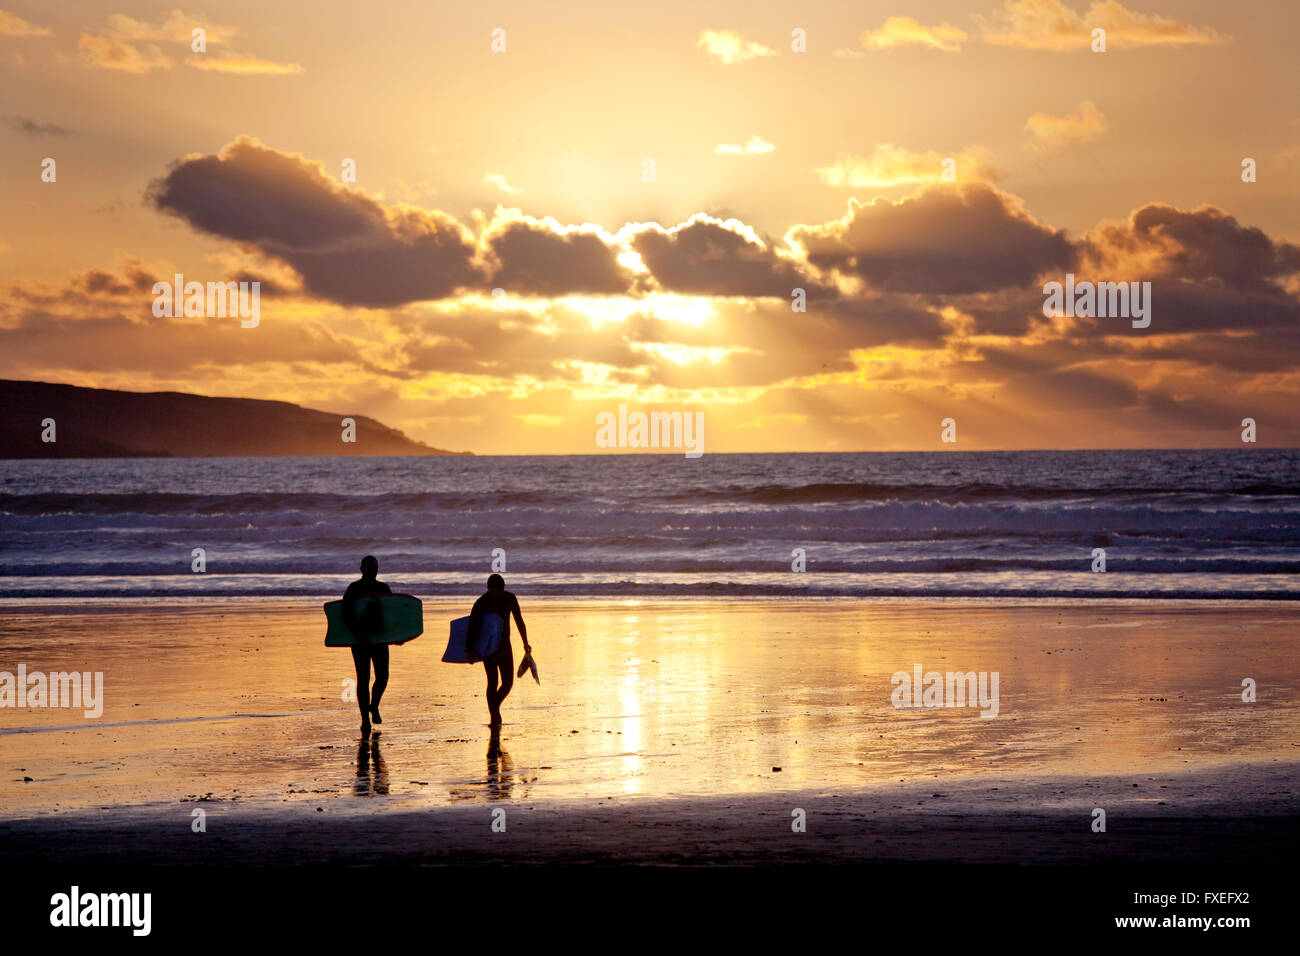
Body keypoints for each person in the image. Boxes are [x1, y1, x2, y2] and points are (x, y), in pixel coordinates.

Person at [468, 573, 529, 727]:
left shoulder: (510, 598)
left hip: (504, 646)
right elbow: (472, 627)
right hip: (488, 648)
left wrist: (525, 643)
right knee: (493, 681)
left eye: (501, 590)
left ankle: (494, 708)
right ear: (489, 590)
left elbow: (519, 621)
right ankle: (494, 716)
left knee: (508, 683)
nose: (498, 594)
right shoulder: (481, 603)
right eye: (495, 591)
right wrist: (469, 650)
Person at [342, 555, 391, 737]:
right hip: (360, 640)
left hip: (379, 639)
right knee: (363, 679)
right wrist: (357, 634)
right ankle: (364, 719)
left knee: (383, 677)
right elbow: (345, 613)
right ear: (361, 568)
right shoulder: (354, 589)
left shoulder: (383, 588)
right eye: (369, 567)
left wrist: (399, 636)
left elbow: (392, 614)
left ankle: (374, 705)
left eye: (375, 567)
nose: (373, 570)